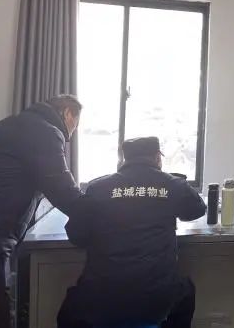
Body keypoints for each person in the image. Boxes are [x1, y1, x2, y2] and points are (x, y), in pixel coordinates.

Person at [57, 137, 207, 328]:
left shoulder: (97, 188)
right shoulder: (172, 185)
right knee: (185, 294)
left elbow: (76, 235)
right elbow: (197, 210)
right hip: (157, 299)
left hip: (103, 297)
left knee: (70, 312)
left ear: (123, 159)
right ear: (157, 158)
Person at [0, 95, 83, 328]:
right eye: (75, 124)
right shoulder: (46, 132)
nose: (71, 134)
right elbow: (63, 191)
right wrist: (103, 214)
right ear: (67, 113)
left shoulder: (11, 124)